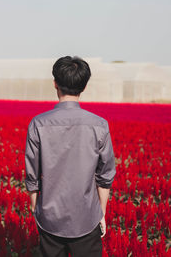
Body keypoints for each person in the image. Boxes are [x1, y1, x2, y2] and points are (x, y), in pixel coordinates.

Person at [24, 56, 116, 257]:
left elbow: (32, 175)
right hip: (86, 218)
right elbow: (105, 176)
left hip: (50, 219)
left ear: (55, 83)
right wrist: (101, 213)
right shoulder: (99, 125)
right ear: (84, 86)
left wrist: (35, 207)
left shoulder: (38, 124)